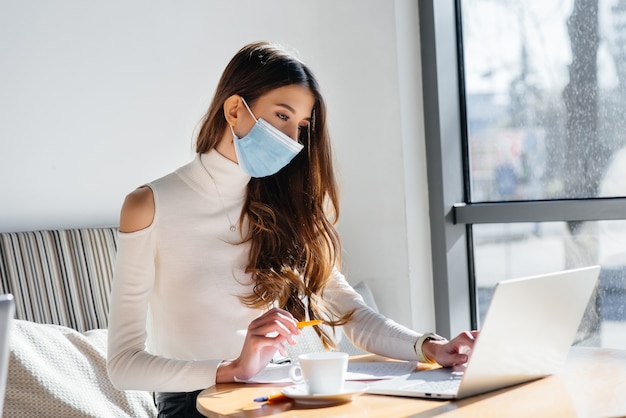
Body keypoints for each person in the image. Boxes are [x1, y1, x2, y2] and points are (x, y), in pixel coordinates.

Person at [106, 41, 477, 417]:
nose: (292, 140)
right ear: (235, 109)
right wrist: (230, 369)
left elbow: (350, 313)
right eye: (282, 116)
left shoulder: (285, 205)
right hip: (198, 405)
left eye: (301, 125)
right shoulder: (149, 206)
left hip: (278, 397)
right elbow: (122, 364)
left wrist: (429, 346)